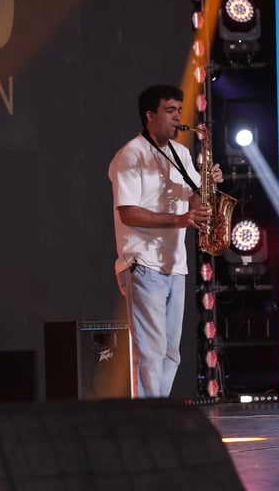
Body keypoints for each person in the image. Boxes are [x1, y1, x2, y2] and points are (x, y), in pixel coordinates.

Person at [108, 84, 224, 398]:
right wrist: (180, 219)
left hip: (175, 264)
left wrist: (209, 184)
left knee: (171, 352)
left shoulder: (181, 153)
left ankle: (159, 411)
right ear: (150, 115)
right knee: (151, 350)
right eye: (170, 110)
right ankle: (151, 415)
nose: (177, 117)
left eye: (179, 110)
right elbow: (128, 212)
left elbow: (196, 201)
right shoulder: (131, 155)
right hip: (143, 262)